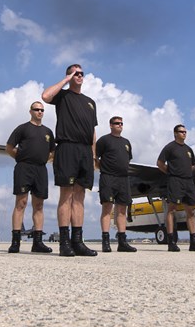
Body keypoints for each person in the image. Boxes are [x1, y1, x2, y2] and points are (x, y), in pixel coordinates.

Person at [42, 64, 98, 257]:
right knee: (66, 194)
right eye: (75, 73)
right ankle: (64, 242)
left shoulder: (90, 102)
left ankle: (77, 241)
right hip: (66, 147)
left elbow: (93, 132)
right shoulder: (63, 96)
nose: (79, 76)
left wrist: (93, 155)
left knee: (80, 195)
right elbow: (45, 96)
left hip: (84, 150)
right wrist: (65, 80)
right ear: (69, 76)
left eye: (82, 73)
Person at [5, 101, 55, 254]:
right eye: (36, 109)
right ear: (30, 111)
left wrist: (42, 160)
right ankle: (15, 242)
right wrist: (21, 157)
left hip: (40, 169)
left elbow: (52, 152)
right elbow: (9, 147)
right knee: (21, 203)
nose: (39, 112)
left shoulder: (48, 132)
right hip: (23, 167)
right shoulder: (22, 128)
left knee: (39, 205)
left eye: (42, 110)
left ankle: (38, 242)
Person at [157, 124, 195, 252]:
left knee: (191, 211)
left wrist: (187, 172)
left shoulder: (189, 149)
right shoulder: (169, 147)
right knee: (171, 209)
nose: (184, 133)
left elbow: (194, 165)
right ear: (175, 133)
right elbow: (160, 163)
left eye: (185, 131)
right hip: (175, 181)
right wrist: (171, 172)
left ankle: (193, 242)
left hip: (188, 182)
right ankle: (171, 241)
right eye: (181, 131)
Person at [95, 116, 137, 252]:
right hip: (108, 177)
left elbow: (128, 160)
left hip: (123, 179)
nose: (120, 125)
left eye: (121, 123)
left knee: (122, 210)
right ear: (110, 125)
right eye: (117, 123)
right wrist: (103, 168)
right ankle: (105, 241)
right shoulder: (104, 140)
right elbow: (95, 157)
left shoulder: (126, 142)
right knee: (107, 208)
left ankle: (122, 242)